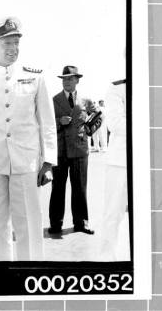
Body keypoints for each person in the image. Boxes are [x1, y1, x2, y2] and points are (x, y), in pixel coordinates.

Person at [0, 17, 57, 261]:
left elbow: (47, 121)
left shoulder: (35, 77)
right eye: (6, 42)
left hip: (26, 163)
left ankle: (30, 274)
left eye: (16, 42)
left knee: (28, 223)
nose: (12, 48)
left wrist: (48, 161)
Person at [48, 66, 102, 235]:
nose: (67, 82)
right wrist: (59, 121)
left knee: (80, 188)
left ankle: (81, 223)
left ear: (77, 80)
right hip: (61, 150)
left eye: (70, 79)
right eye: (64, 79)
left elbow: (98, 116)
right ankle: (56, 223)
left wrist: (89, 130)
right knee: (58, 188)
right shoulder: (54, 100)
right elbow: (46, 123)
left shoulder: (86, 100)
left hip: (80, 149)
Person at [99, 79, 127, 260]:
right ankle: (108, 260)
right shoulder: (117, 88)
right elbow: (115, 123)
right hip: (120, 161)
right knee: (113, 214)